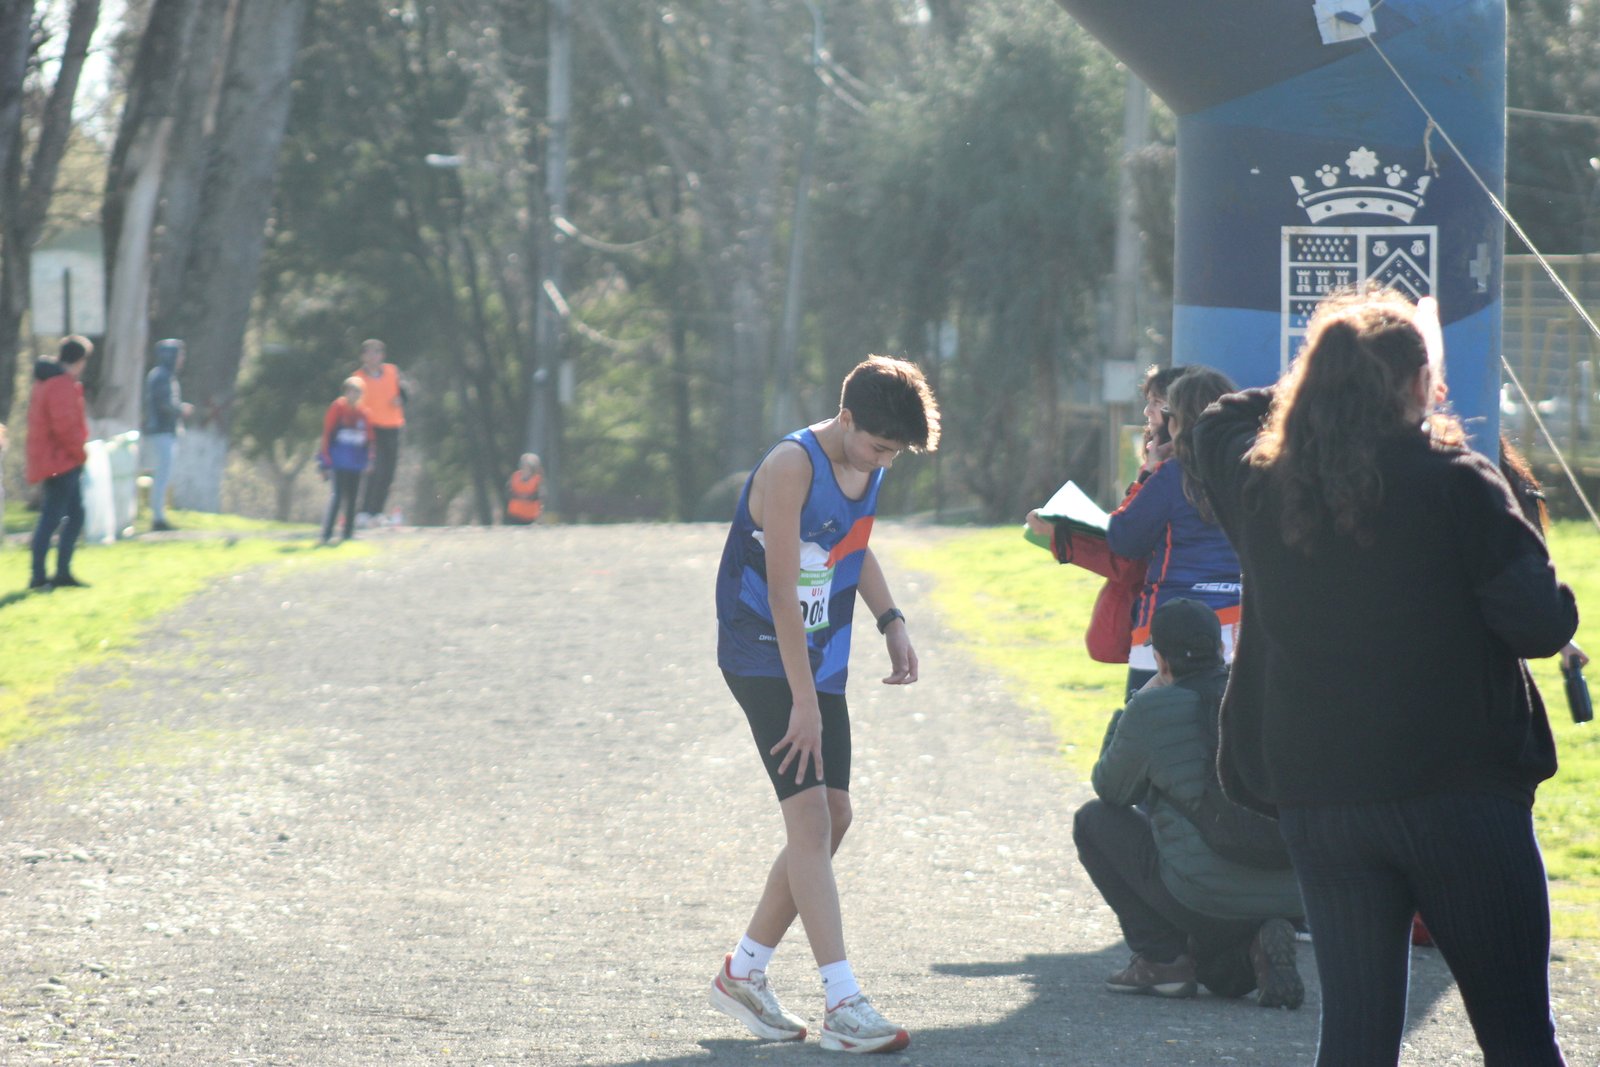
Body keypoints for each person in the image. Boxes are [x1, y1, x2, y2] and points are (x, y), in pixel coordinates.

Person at [1190, 287, 1578, 1066]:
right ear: (1414, 384)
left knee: (1356, 1042)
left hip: (1325, 799)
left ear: (1317, 381)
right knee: (1519, 1039)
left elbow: (1216, 420)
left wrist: (1320, 371)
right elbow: (1541, 625)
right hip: (1459, 793)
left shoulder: (1269, 487)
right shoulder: (1458, 480)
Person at [709, 355, 939, 1055]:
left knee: (834, 815)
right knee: (809, 817)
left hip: (822, 649)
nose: (882, 459)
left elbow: (855, 544)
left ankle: (743, 972)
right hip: (761, 648)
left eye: (893, 452)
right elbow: (782, 592)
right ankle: (843, 1000)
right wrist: (802, 703)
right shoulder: (791, 467)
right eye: (876, 446)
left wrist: (890, 618)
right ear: (845, 420)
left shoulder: (870, 459)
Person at [1074, 598, 1305, 1007]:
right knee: (1222, 979)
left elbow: (1111, 791)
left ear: (1161, 661)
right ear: (1220, 649)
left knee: (1093, 821)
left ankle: (1162, 961)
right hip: (1294, 890)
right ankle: (1258, 940)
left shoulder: (1153, 708)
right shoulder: (1265, 696)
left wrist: (1132, 707)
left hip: (1203, 894)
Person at [1026, 365, 1188, 670]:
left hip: (1162, 622)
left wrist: (1060, 535)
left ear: (1176, 409)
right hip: (1184, 619)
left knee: (1146, 712)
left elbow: (1127, 555)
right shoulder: (1170, 467)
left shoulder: (1169, 473)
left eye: (1156, 403)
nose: (1147, 412)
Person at [1102, 365, 1242, 698]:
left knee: (1146, 729)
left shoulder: (1170, 475)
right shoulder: (1252, 470)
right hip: (1240, 626)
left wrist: (1147, 473)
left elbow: (1123, 539)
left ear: (1180, 422)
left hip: (1166, 626)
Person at [26, 336, 93, 591]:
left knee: (74, 515)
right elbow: (65, 428)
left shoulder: (46, 382)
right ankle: (39, 577)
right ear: (78, 360)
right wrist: (81, 454)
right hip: (60, 461)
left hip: (54, 459)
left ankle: (60, 572)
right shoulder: (61, 385)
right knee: (53, 518)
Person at [352, 338, 406, 526]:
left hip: (392, 426)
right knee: (374, 470)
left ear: (382, 355)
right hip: (371, 428)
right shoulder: (358, 378)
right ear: (363, 356)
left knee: (388, 473)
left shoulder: (392, 371)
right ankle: (364, 512)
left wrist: (401, 399)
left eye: (377, 352)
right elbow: (352, 404)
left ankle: (377, 512)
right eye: (369, 352)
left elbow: (404, 392)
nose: (373, 356)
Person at [142, 337, 193, 532]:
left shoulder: (164, 376)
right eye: (179, 355)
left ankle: (159, 515)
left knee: (163, 475)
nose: (181, 359)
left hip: (164, 431)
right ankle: (158, 518)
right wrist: (181, 410)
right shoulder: (162, 376)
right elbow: (164, 405)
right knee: (161, 476)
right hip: (161, 432)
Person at [317, 377, 374, 545]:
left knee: (353, 497)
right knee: (337, 496)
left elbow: (369, 439)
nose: (353, 394)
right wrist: (324, 460)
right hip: (339, 461)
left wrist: (370, 460)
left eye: (357, 391)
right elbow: (327, 434)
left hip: (356, 463)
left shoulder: (364, 413)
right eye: (350, 390)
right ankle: (326, 534)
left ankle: (348, 533)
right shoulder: (337, 408)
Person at [506, 453, 543, 525]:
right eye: (524, 465)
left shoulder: (537, 480)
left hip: (530, 516)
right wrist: (519, 496)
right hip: (515, 515)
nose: (525, 468)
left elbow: (540, 496)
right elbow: (508, 493)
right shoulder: (514, 476)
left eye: (528, 466)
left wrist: (527, 497)